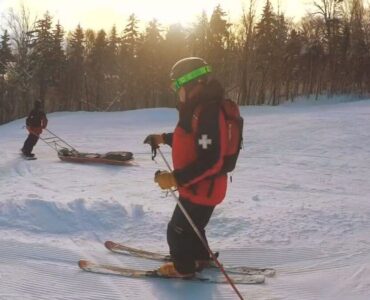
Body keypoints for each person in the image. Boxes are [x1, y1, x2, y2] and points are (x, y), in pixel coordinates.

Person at [144, 57, 230, 278]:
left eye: (177, 85)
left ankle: (183, 268)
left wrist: (176, 178)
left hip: (201, 188)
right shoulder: (199, 109)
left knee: (177, 232)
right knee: (194, 227)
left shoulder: (208, 112)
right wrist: (163, 138)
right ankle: (200, 258)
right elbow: (191, 139)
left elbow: (211, 159)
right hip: (202, 187)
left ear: (193, 84)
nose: (176, 91)